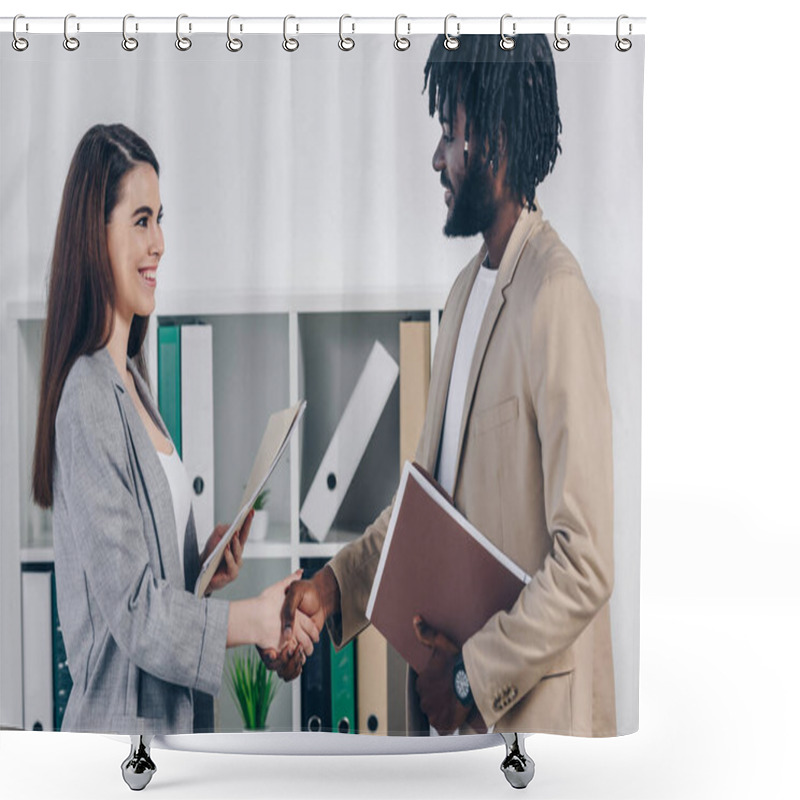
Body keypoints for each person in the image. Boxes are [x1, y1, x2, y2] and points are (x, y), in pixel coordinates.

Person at [266, 34, 617, 738]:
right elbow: (424, 504)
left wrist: (466, 678)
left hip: (538, 731)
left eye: (448, 134)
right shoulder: (463, 295)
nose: (436, 158)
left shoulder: (557, 296)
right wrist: (333, 587)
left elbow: (586, 561)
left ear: (495, 138)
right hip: (468, 732)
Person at [32, 123, 316, 734]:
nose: (159, 242)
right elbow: (134, 613)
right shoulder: (86, 395)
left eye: (160, 218)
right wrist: (254, 621)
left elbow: (141, 583)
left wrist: (201, 572)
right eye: (141, 220)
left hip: (168, 737)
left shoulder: (132, 384)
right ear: (94, 234)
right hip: (121, 746)